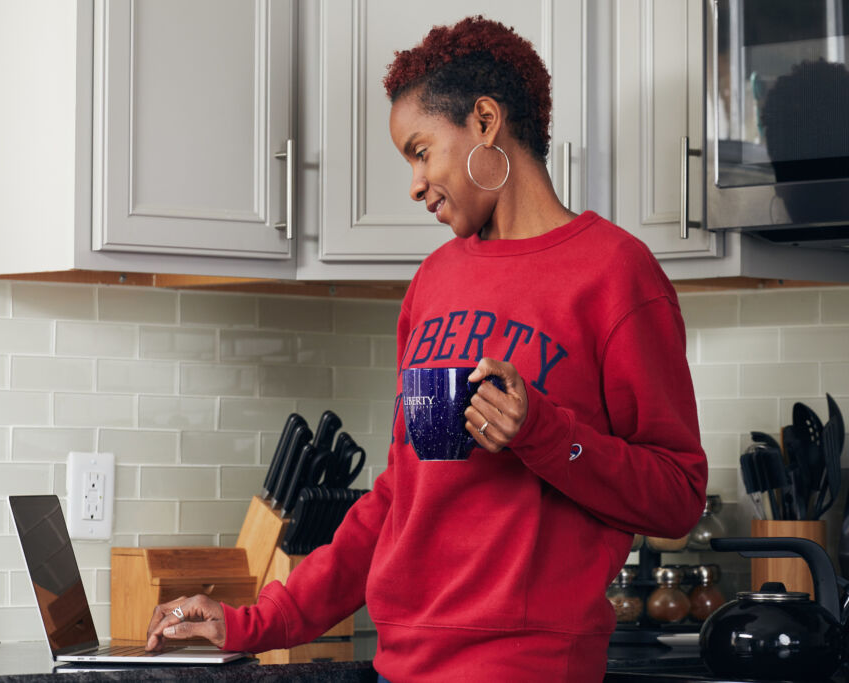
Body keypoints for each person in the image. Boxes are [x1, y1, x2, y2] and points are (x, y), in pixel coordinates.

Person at [145, 16, 707, 682]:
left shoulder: (615, 274)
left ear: (486, 122)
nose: (414, 183)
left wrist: (543, 431)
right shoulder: (434, 283)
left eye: (421, 151)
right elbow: (398, 499)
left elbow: (678, 496)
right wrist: (257, 619)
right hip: (401, 666)